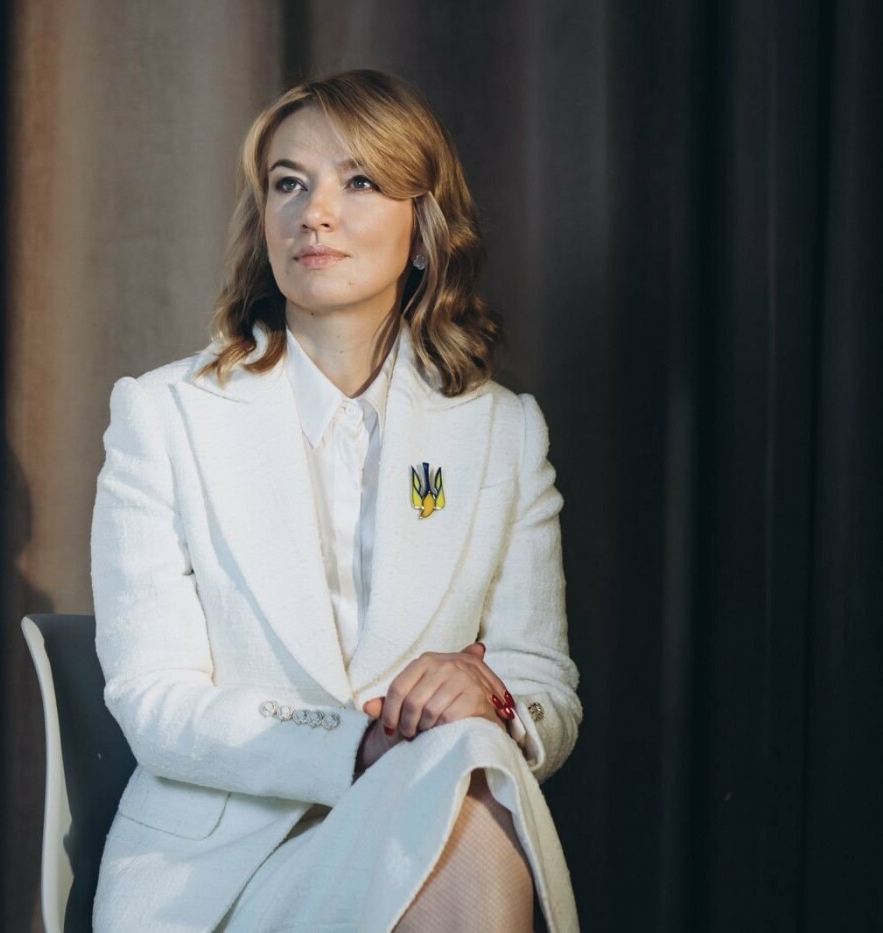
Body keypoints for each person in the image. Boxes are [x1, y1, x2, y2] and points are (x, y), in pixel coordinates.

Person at [89, 69, 581, 932]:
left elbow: (545, 688)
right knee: (463, 778)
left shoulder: (503, 432)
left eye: (358, 181)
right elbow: (155, 701)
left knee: (472, 747)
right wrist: (355, 743)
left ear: (423, 230)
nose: (314, 212)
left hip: (426, 826)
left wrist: (488, 696)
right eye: (289, 184)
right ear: (265, 221)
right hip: (219, 877)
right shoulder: (162, 416)